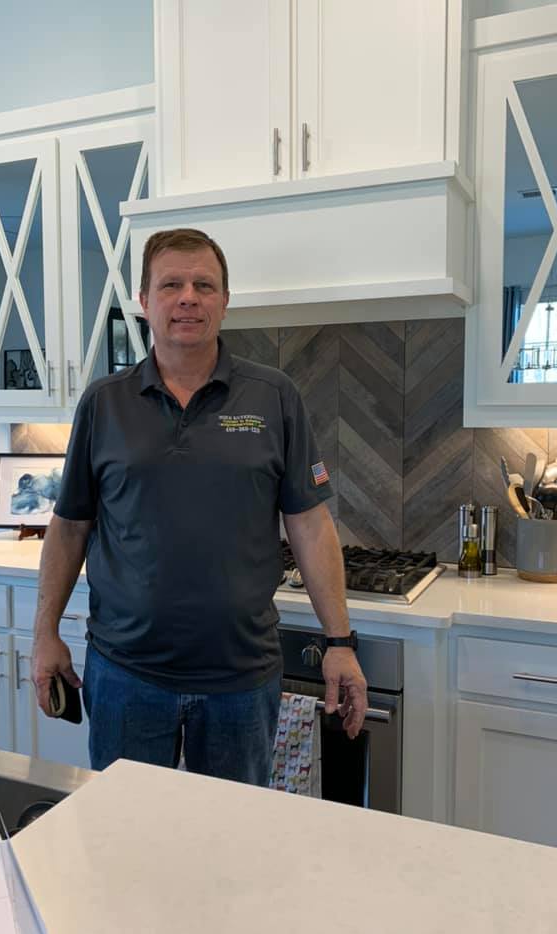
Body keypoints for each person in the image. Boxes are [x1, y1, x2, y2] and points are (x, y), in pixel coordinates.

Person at [32, 228, 367, 786]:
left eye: (204, 285)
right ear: (144, 302)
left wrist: (339, 642)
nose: (188, 296)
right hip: (124, 675)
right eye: (171, 284)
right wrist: (45, 633)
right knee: (128, 838)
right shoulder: (104, 403)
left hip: (240, 679)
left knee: (229, 849)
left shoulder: (273, 396)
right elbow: (69, 529)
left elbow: (309, 523)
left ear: (225, 302)